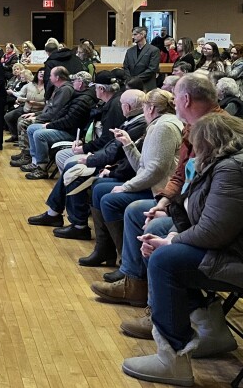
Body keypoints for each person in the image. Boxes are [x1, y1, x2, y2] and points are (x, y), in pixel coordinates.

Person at [120, 113, 243, 386]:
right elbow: (208, 218)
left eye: (195, 146)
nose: (192, 152)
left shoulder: (234, 170)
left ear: (209, 143)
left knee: (165, 260)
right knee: (164, 236)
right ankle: (212, 331)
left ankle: (172, 359)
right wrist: (173, 230)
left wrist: (171, 242)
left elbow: (213, 231)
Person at [89, 73, 224, 311]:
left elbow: (159, 172)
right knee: (128, 206)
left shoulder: (208, 131)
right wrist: (163, 203)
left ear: (185, 99)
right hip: (181, 202)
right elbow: (180, 174)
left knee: (132, 211)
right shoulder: (191, 127)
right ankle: (133, 279)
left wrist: (170, 218)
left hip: (199, 214)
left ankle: (153, 302)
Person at [77, 89, 182, 270]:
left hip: (159, 190)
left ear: (150, 108)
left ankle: (126, 263)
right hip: (154, 185)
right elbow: (143, 165)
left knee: (109, 199)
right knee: (99, 187)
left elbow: (155, 171)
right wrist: (128, 144)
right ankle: (105, 250)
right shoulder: (159, 124)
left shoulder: (163, 127)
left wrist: (126, 186)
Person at [27, 89, 146, 237]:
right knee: (72, 166)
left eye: (121, 104)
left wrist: (90, 158)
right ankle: (56, 214)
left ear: (127, 107)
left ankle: (78, 225)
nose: (119, 106)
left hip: (119, 168)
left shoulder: (138, 125)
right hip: (113, 162)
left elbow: (114, 151)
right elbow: (112, 147)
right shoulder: (133, 121)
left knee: (75, 170)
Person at [24, 71, 97, 180]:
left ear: (80, 83)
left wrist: (50, 125)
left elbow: (69, 121)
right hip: (65, 128)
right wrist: (50, 123)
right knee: (31, 128)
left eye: (74, 81)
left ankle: (42, 167)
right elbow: (62, 113)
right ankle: (35, 161)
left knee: (39, 134)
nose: (72, 83)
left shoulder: (83, 100)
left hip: (71, 133)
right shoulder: (78, 95)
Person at [12, 67, 74, 168]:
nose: (49, 77)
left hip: (54, 121)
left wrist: (38, 119)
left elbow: (55, 112)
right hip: (49, 117)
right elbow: (49, 107)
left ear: (57, 77)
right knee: (23, 119)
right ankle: (28, 154)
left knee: (24, 123)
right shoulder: (59, 88)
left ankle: (29, 156)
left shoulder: (65, 90)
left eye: (51, 75)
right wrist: (35, 114)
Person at [123, 26, 160, 92]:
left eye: (135, 34)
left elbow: (152, 69)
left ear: (142, 34)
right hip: (131, 86)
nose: (132, 37)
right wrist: (130, 80)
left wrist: (136, 80)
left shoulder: (154, 50)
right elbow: (126, 67)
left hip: (147, 85)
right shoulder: (130, 51)